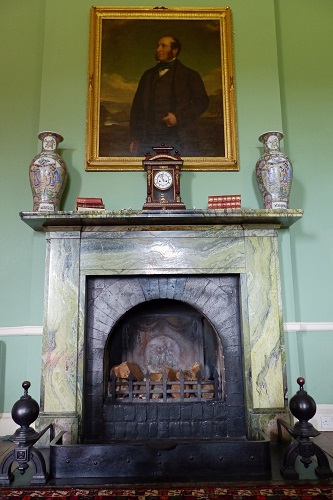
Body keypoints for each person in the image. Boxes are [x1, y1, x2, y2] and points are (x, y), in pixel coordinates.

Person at [129, 35, 209, 156]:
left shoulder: (190, 75)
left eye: (163, 46)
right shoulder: (147, 75)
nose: (158, 49)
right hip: (148, 139)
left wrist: (178, 118)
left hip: (179, 138)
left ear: (175, 50)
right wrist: (135, 138)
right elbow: (137, 108)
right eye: (158, 46)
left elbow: (202, 102)